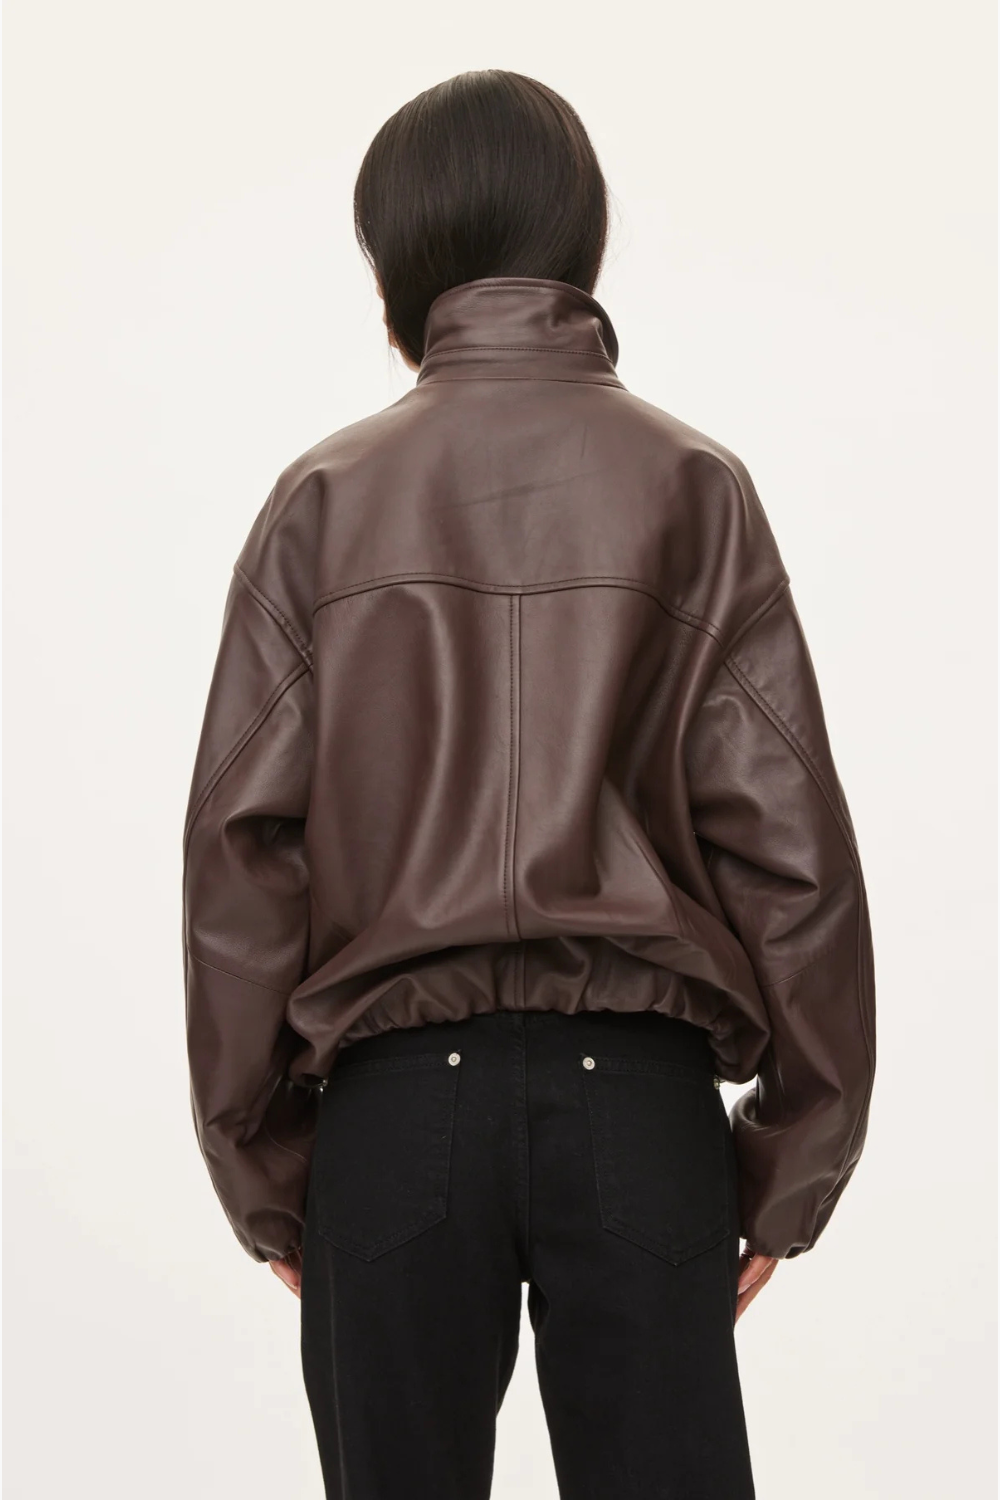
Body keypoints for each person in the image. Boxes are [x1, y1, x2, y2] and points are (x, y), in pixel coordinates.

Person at [182, 69, 876, 1500]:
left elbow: (241, 860)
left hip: (392, 1124)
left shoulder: (322, 500)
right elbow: (789, 851)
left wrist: (269, 1163)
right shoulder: (694, 486)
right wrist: (791, 1156)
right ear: (583, 241)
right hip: (639, 1113)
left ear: (396, 263)